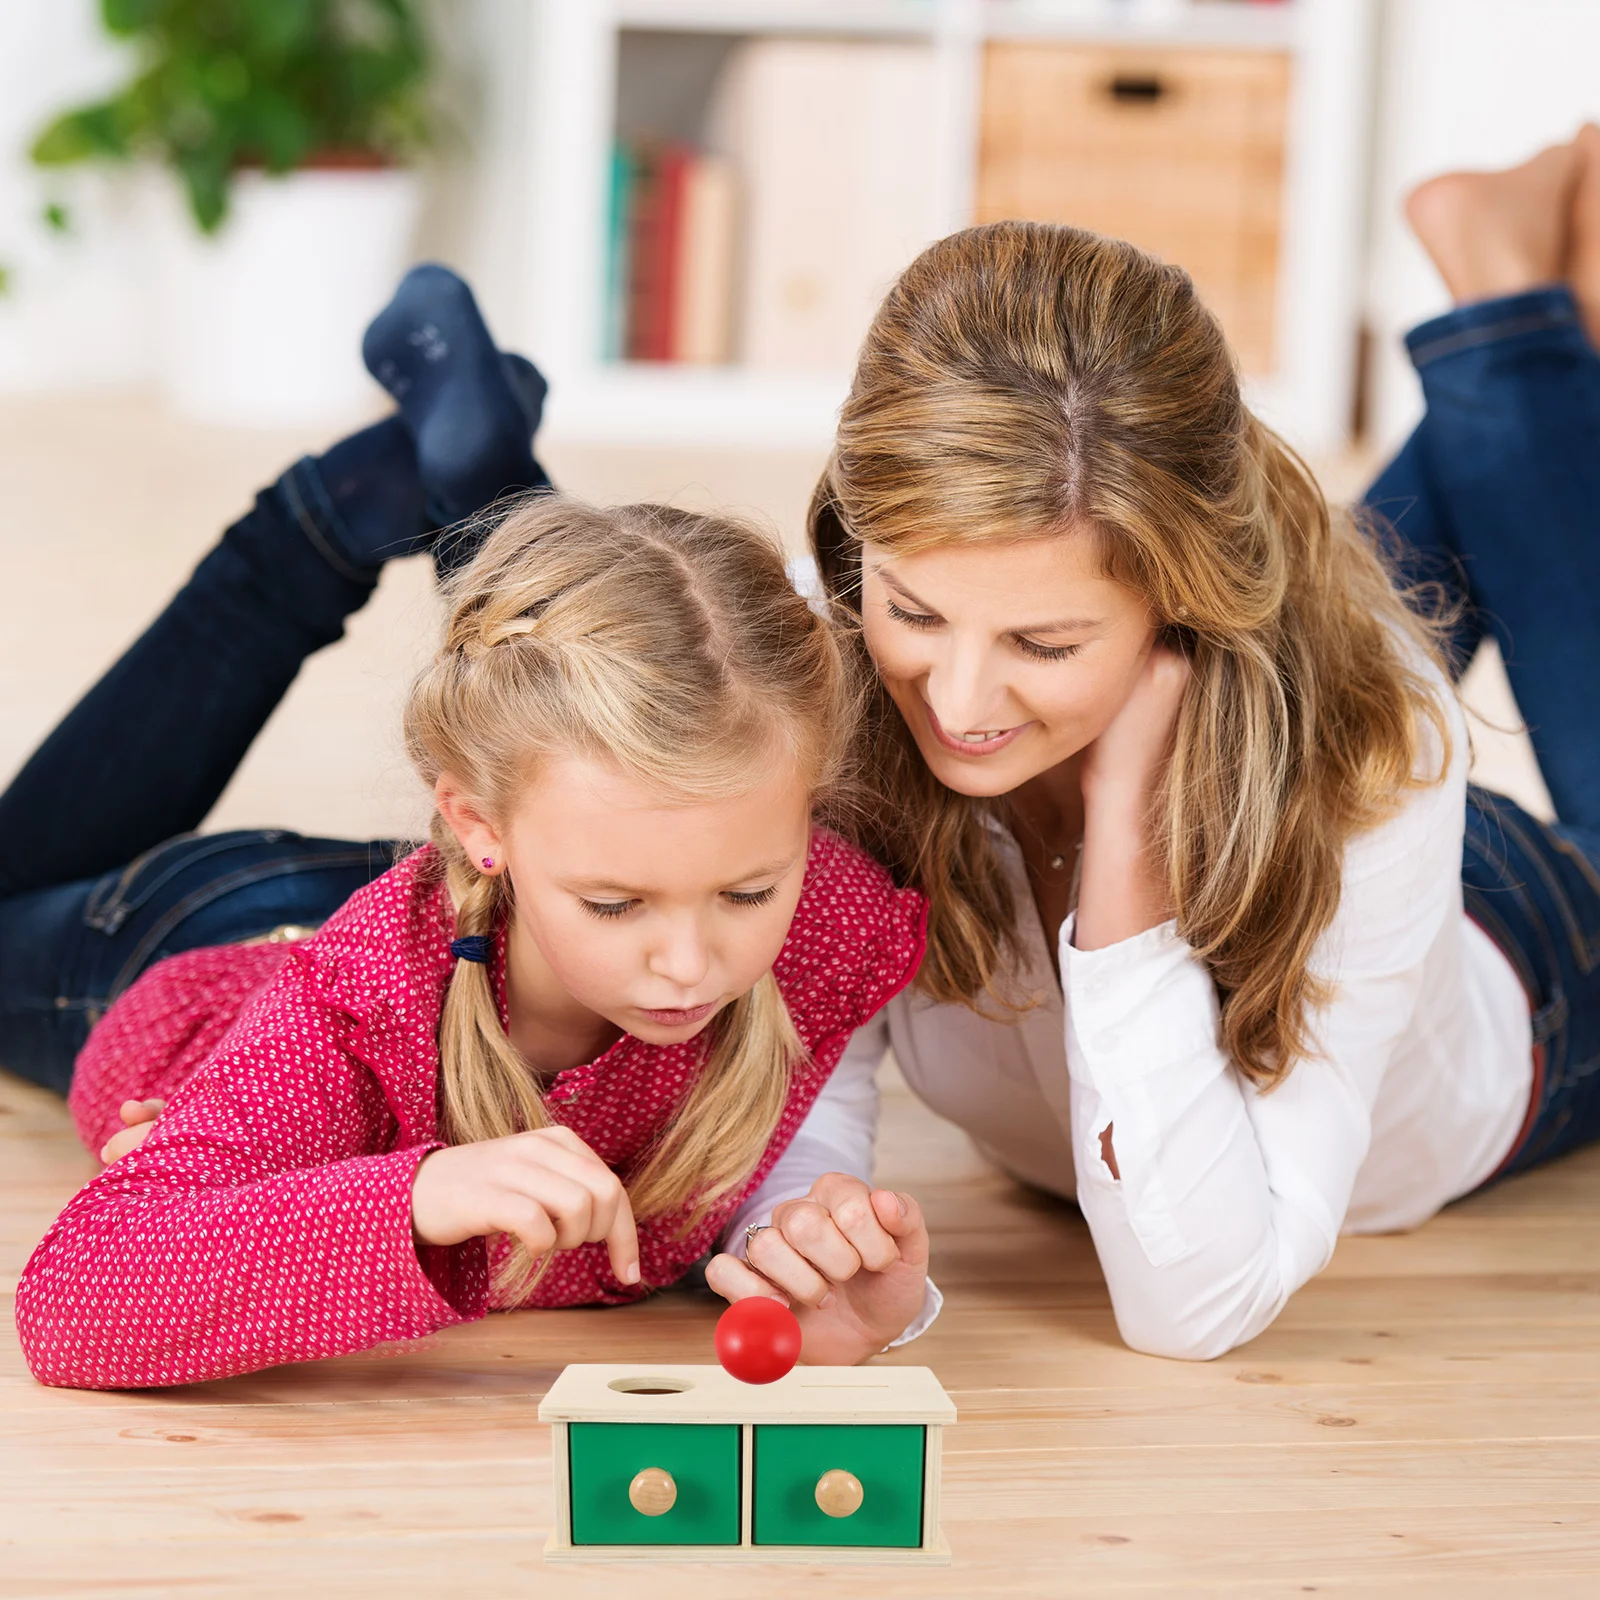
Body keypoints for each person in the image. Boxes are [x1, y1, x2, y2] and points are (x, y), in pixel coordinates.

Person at [5, 270, 935, 1390]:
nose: (694, 964)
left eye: (747, 891)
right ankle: (323, 522)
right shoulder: (352, 1013)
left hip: (480, 897)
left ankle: (470, 486)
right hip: (201, 946)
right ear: (476, 823)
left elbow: (625, 691)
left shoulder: (824, 906)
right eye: (618, 904)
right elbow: (75, 1301)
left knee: (557, 706)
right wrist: (416, 1193)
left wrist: (815, 1254)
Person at [788, 126, 1600, 1360]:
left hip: (1510, 960)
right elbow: (803, 1073)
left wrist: (1126, 851)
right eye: (914, 612)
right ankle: (1520, 323)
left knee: (1366, 678)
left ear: (1180, 609)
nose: (953, 702)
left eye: (1043, 644)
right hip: (1277, 703)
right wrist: (806, 1218)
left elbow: (1197, 1305)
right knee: (1336, 622)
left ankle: (1517, 315)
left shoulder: (1376, 761)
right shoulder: (839, 645)